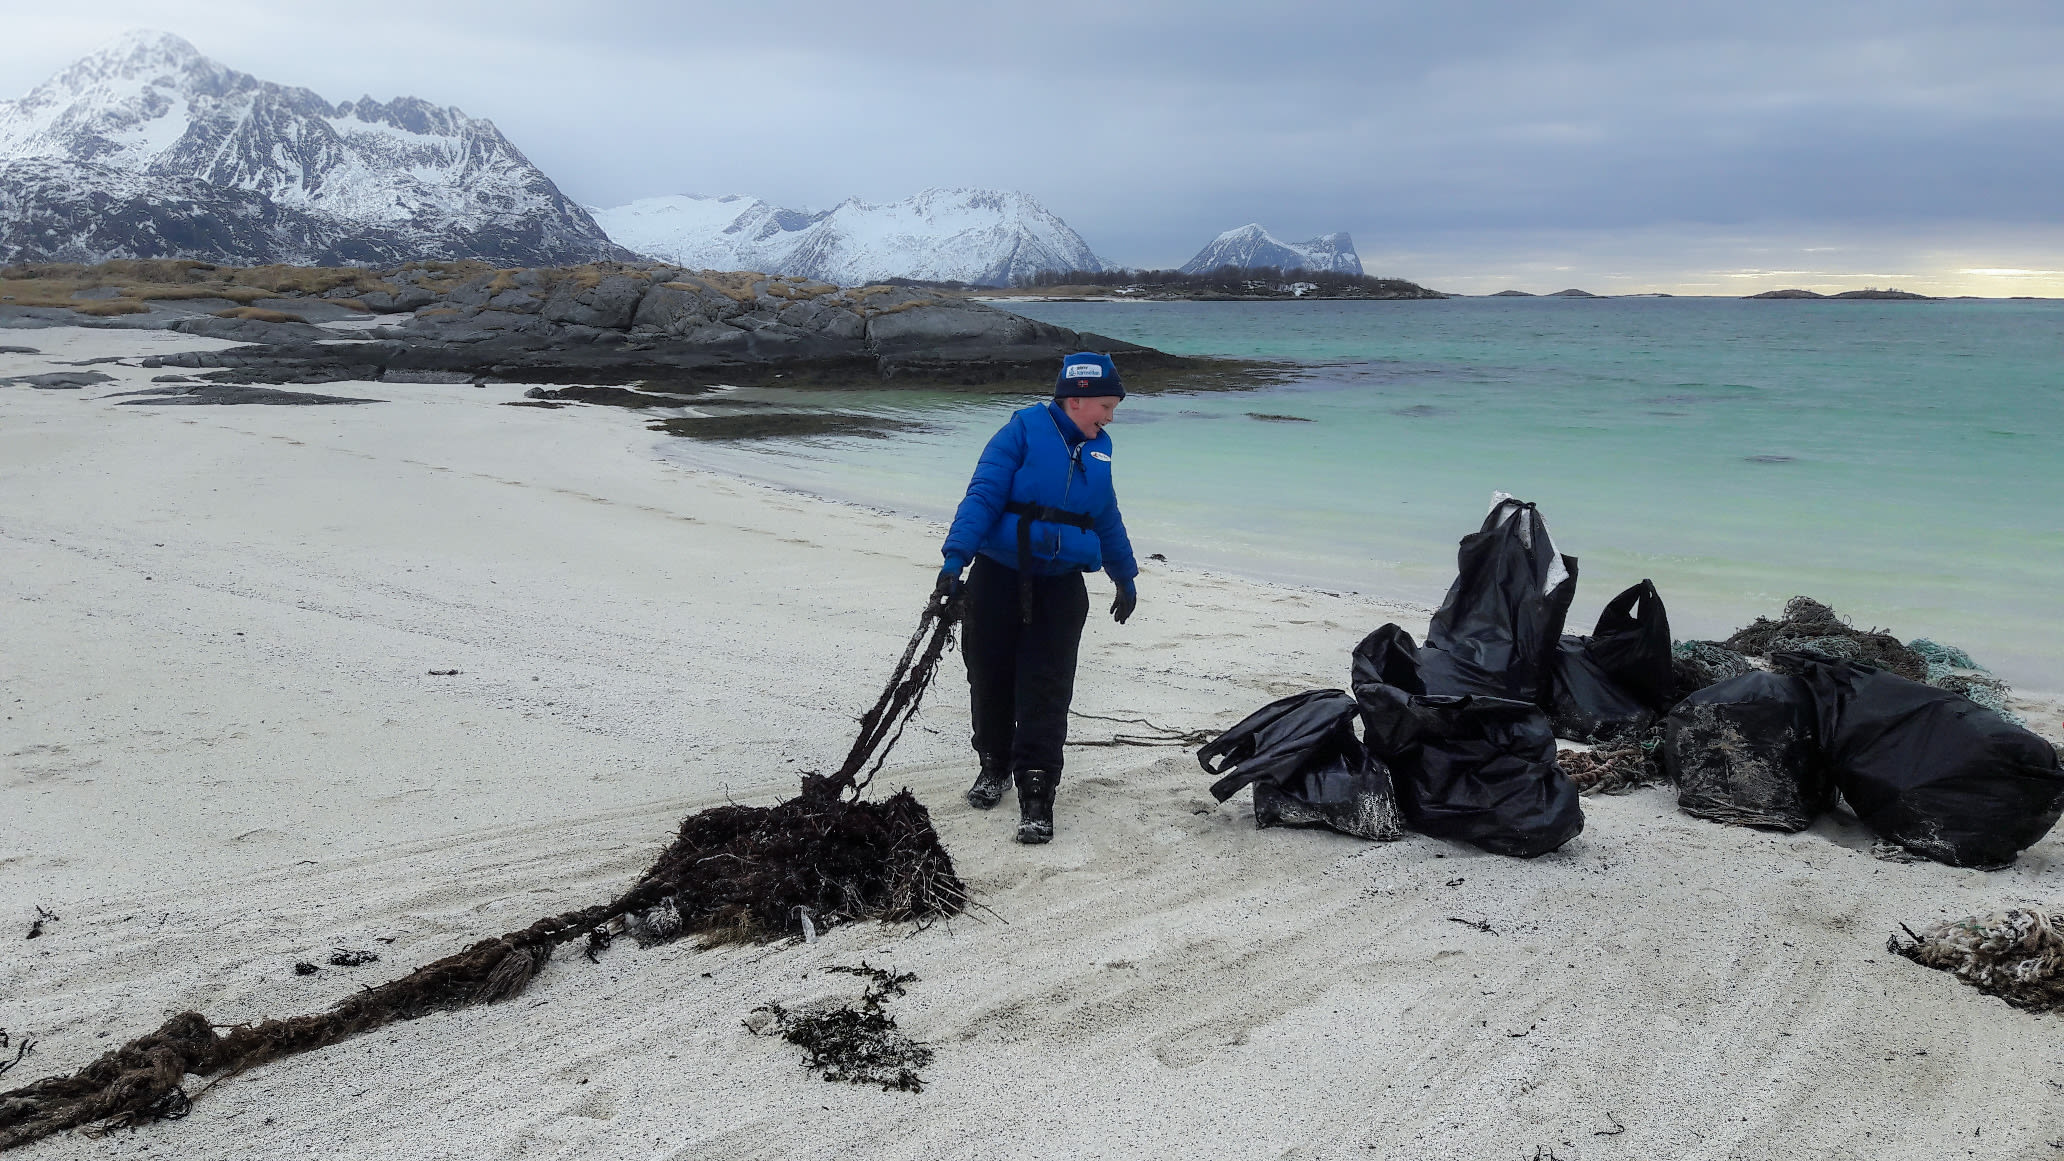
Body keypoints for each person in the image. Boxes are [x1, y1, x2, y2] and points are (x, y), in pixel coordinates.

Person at [934, 351, 1139, 844]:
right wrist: (955, 559)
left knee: (1047, 688)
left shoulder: (1099, 450)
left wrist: (1124, 576)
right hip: (997, 577)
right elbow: (983, 496)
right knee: (989, 676)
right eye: (1106, 407)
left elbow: (1106, 516)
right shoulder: (1020, 432)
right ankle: (993, 765)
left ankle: (1037, 792)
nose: (1110, 418)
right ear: (1076, 400)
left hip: (1060, 587)